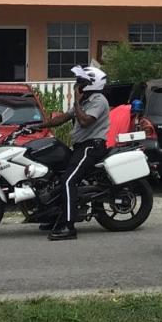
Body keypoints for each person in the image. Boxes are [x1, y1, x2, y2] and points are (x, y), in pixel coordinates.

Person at [38, 65, 111, 241]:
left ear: (91, 84)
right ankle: (56, 216)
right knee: (56, 175)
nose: (77, 84)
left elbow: (85, 121)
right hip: (81, 146)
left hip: (92, 147)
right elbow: (64, 117)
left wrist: (77, 101)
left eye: (81, 82)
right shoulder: (86, 99)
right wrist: (38, 126)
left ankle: (68, 226)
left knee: (68, 180)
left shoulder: (98, 100)